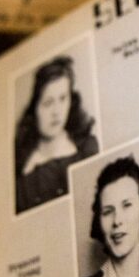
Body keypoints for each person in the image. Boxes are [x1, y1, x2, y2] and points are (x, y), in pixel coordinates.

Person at [15, 56, 98, 214]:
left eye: (63, 99)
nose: (57, 111)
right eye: (48, 103)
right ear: (34, 109)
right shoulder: (22, 170)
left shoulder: (88, 148)